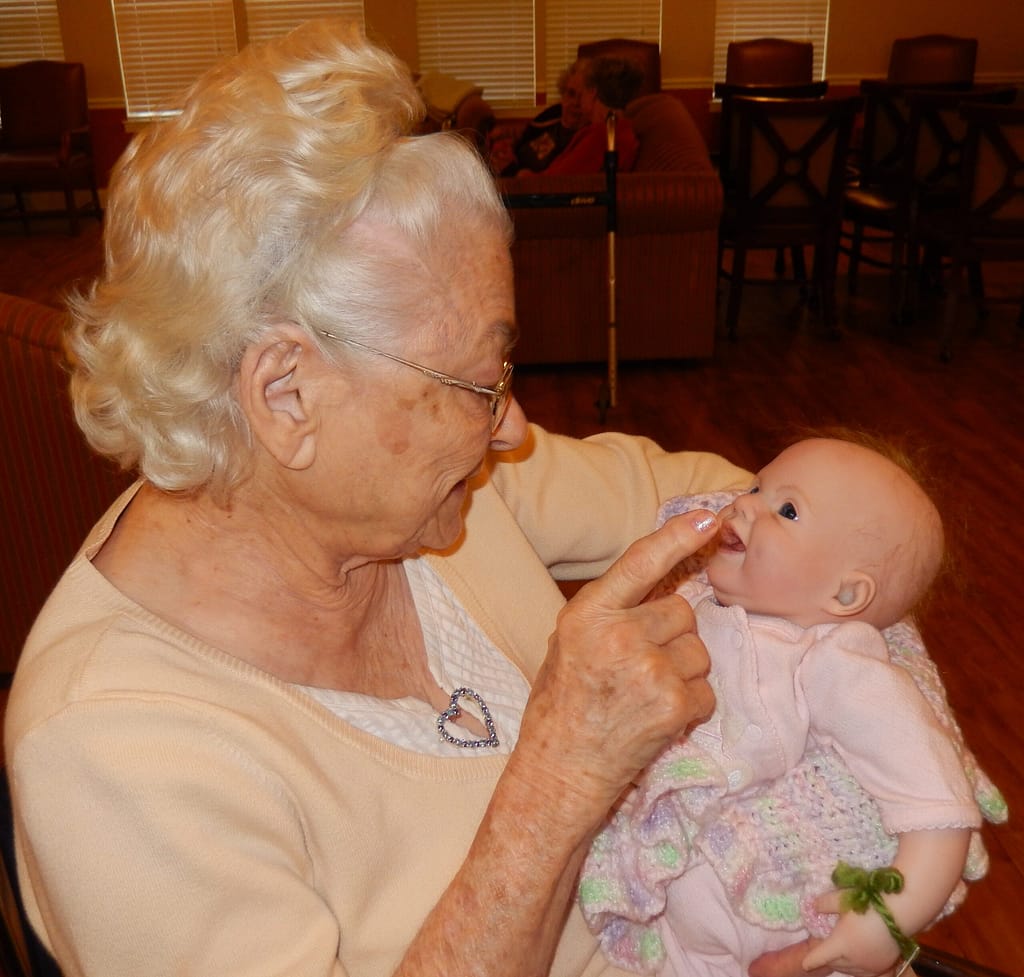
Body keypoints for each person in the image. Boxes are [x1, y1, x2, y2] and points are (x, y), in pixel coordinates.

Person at [2, 18, 763, 977]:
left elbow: (693, 489)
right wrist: (560, 778)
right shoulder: (112, 746)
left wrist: (841, 521)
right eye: (480, 383)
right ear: (287, 394)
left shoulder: (437, 488)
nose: (513, 426)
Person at [579, 435, 1006, 977]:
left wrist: (885, 923)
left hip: (778, 928)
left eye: (786, 509)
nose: (743, 502)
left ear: (846, 597)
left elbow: (940, 810)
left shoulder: (839, 664)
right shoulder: (693, 600)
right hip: (679, 930)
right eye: (757, 485)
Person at [488, 58, 596, 176]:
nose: (576, 103)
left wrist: (514, 172)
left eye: (582, 97)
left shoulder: (588, 137)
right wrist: (507, 149)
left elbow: (557, 179)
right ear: (562, 95)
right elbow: (524, 141)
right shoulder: (551, 116)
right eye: (571, 93)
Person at [544, 56, 644, 176]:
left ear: (593, 93)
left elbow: (554, 181)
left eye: (582, 93)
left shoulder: (602, 136)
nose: (578, 101)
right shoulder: (621, 128)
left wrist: (524, 176)